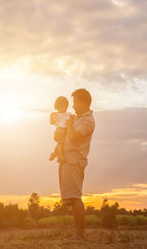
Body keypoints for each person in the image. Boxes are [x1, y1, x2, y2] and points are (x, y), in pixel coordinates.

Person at [59, 88, 95, 240]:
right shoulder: (77, 118)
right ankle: (78, 233)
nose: (72, 106)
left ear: (84, 103)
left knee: (75, 197)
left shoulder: (88, 120)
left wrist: (68, 124)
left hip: (75, 160)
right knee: (71, 198)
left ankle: (80, 235)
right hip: (67, 159)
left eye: (74, 103)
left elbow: (73, 136)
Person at [49, 96, 71, 161]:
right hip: (59, 131)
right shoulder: (56, 114)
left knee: (61, 143)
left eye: (65, 107)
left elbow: (72, 118)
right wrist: (52, 117)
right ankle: (60, 155)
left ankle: (54, 153)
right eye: (61, 107)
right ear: (57, 107)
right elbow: (51, 122)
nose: (63, 109)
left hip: (64, 132)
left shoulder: (67, 114)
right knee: (61, 143)